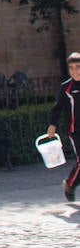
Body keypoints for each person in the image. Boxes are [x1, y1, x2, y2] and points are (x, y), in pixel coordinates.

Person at [45, 51, 80, 201]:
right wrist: (52, 125)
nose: (75, 71)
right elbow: (57, 108)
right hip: (75, 130)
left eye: (78, 67)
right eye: (71, 68)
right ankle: (70, 184)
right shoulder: (66, 88)